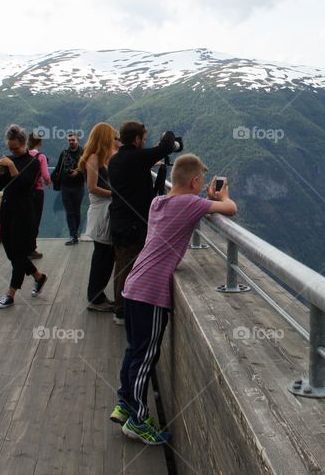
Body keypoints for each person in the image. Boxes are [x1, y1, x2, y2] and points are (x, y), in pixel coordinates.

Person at [111, 154, 237, 444]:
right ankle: (138, 420)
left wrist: (202, 196)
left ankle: (125, 402)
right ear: (195, 181)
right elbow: (230, 209)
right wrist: (220, 195)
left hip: (133, 285)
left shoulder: (158, 203)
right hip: (152, 293)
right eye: (201, 181)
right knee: (146, 357)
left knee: (134, 350)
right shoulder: (191, 204)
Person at [108, 121, 177, 323]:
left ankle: (121, 307)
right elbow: (166, 147)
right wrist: (168, 133)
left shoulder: (115, 160)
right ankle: (122, 311)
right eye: (144, 139)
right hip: (133, 222)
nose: (144, 143)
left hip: (118, 218)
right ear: (137, 139)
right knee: (129, 264)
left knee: (121, 262)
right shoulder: (136, 158)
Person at [0, 125, 50, 309]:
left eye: (15, 148)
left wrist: (10, 166)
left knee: (18, 252)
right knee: (11, 252)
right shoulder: (8, 160)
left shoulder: (33, 162)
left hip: (24, 211)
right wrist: (1, 173)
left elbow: (24, 185)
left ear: (24, 144)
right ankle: (38, 276)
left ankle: (11, 293)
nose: (12, 151)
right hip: (7, 209)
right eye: (10, 148)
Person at [80, 123, 119, 312]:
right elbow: (92, 187)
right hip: (100, 210)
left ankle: (98, 295)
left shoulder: (102, 157)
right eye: (112, 136)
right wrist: (115, 194)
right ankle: (95, 298)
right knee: (102, 257)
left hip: (104, 209)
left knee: (104, 255)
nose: (114, 139)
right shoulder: (94, 158)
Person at [52, 131, 85, 244]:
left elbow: (86, 170)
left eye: (73, 140)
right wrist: (52, 179)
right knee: (69, 211)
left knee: (76, 211)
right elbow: (58, 168)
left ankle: (76, 233)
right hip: (65, 186)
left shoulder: (83, 153)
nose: (71, 142)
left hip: (78, 186)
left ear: (77, 140)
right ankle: (73, 235)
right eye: (69, 140)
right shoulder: (64, 153)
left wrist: (77, 173)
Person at [27, 133, 52, 259]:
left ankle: (24, 246)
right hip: (37, 191)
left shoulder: (24, 155)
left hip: (24, 192)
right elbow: (46, 175)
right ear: (39, 143)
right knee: (35, 220)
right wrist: (48, 181)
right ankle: (31, 249)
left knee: (26, 219)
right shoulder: (40, 156)